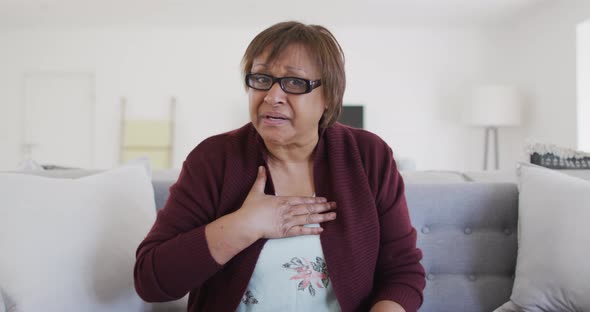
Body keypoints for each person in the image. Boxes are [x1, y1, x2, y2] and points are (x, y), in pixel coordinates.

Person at [134, 21, 425, 312]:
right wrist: (244, 225)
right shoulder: (214, 159)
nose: (272, 97)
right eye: (261, 78)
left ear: (329, 97)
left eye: (295, 82)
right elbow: (151, 280)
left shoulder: (367, 156)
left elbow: (402, 272)